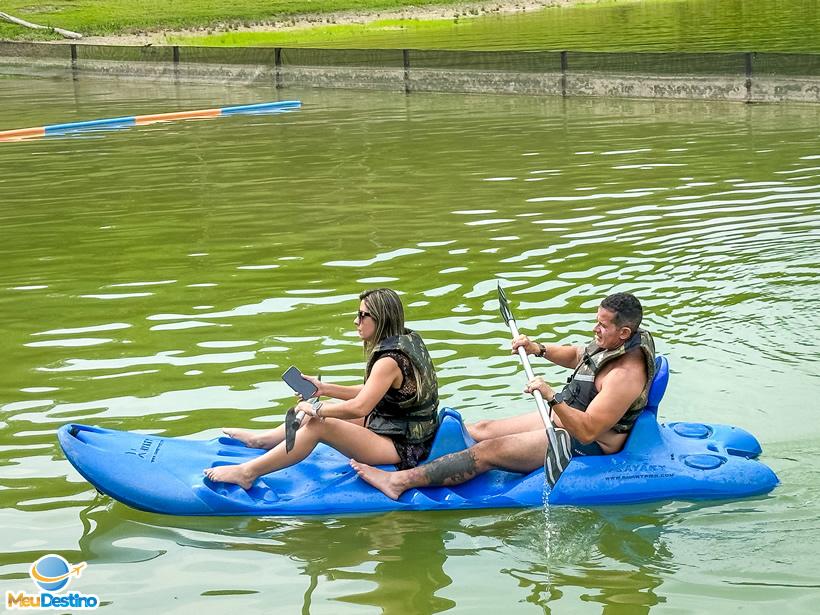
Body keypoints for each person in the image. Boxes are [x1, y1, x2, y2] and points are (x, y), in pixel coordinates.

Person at [350, 292, 656, 499]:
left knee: (488, 451)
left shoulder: (624, 376)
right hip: (563, 417)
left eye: (602, 325)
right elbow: (580, 355)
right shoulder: (613, 341)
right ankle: (418, 455)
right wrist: (538, 349)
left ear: (624, 333)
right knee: (481, 428)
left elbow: (588, 430)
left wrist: (551, 396)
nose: (595, 329)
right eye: (597, 321)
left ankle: (398, 481)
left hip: (583, 441)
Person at [204, 288, 440, 490]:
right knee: (313, 413)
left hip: (404, 445)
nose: (356, 321)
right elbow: (373, 390)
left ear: (381, 319)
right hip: (394, 425)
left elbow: (360, 407)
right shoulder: (405, 340)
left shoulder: (389, 361)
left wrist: (317, 409)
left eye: (362, 315)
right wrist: (323, 389)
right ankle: (263, 440)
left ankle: (247, 473)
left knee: (318, 424)